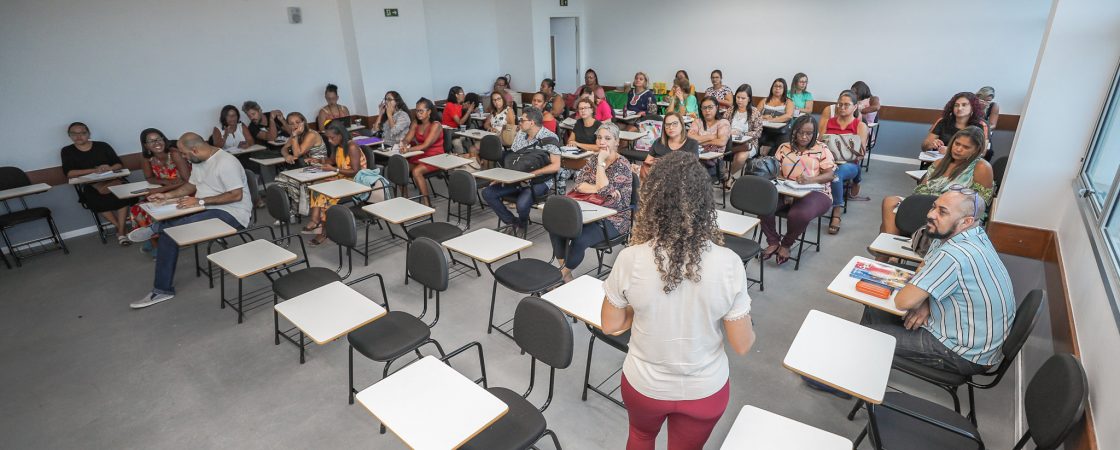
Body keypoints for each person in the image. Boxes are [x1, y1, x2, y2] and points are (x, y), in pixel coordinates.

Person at [601, 150, 755, 450]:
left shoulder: (630, 258)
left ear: (652, 201)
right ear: (704, 203)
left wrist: (639, 309)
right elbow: (743, 344)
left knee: (641, 437)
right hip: (704, 390)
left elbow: (610, 325)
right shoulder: (729, 263)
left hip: (644, 385)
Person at [863, 190, 1015, 376]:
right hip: (974, 339)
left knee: (865, 336)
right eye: (934, 206)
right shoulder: (966, 234)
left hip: (963, 353)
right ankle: (870, 368)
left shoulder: (954, 254)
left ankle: (856, 372)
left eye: (942, 212)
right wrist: (926, 299)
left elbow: (903, 301)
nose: (930, 214)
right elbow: (924, 266)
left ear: (966, 221)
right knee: (874, 308)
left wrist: (920, 297)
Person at [127, 132, 252, 309]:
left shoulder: (226, 163)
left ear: (194, 149)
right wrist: (166, 195)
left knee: (171, 231)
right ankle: (162, 290)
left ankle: (156, 228)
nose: (183, 158)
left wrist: (200, 201)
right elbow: (191, 185)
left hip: (232, 213)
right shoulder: (199, 160)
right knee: (169, 236)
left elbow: (236, 195)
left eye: (185, 154)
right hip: (205, 207)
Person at [551, 122, 632, 282]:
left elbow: (603, 189)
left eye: (607, 138)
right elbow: (579, 184)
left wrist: (601, 164)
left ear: (616, 141)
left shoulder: (623, 164)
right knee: (556, 227)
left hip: (614, 219)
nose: (602, 142)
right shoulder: (593, 159)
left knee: (580, 239)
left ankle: (559, 276)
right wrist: (601, 188)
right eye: (599, 138)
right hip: (588, 210)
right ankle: (566, 273)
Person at [882, 127, 994, 236]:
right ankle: (890, 249)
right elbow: (921, 189)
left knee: (887, 225)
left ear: (976, 149)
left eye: (966, 147)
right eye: (957, 144)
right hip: (927, 205)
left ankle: (887, 252)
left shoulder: (982, 167)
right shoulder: (939, 162)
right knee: (890, 201)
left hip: (950, 213)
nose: (958, 149)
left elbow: (979, 205)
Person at [758, 116, 835, 265]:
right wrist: (786, 190)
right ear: (793, 131)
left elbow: (830, 175)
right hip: (787, 190)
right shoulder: (784, 147)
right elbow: (776, 171)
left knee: (798, 214)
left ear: (815, 134)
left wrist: (809, 180)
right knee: (763, 205)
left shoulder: (821, 149)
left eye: (809, 133)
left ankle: (786, 244)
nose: (804, 136)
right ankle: (773, 241)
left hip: (816, 192)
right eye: (800, 132)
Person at [481, 105, 561, 235]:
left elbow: (555, 166)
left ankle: (522, 223)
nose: (519, 122)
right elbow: (513, 160)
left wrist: (534, 174)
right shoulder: (521, 134)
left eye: (522, 120)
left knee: (522, 204)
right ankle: (513, 222)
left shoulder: (550, 138)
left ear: (532, 122)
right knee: (488, 193)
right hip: (516, 178)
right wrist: (501, 178)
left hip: (539, 181)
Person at [60, 122, 135, 246]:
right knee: (95, 199)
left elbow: (118, 164)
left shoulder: (102, 146)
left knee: (122, 195)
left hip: (112, 180)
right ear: (69, 135)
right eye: (74, 134)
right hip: (91, 185)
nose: (79, 136)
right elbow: (69, 173)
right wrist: (94, 170)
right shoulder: (67, 151)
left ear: (89, 134)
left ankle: (120, 231)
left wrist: (109, 168)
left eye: (82, 133)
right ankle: (120, 229)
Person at [129, 128, 191, 255]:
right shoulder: (146, 158)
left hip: (185, 190)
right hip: (166, 190)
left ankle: (158, 245)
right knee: (137, 208)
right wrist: (166, 183)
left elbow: (187, 180)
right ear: (145, 145)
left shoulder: (174, 153)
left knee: (153, 208)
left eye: (158, 139)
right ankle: (153, 240)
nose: (156, 143)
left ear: (164, 139)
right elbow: (149, 177)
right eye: (150, 141)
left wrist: (161, 189)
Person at [817, 90, 871, 234]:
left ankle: (836, 212)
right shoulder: (828, 122)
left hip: (849, 164)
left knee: (837, 175)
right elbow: (819, 144)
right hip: (829, 162)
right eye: (840, 104)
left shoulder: (860, 126)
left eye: (846, 105)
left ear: (855, 107)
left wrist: (845, 150)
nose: (842, 107)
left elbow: (861, 154)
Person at [305, 121, 368, 245]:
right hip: (343, 179)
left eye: (332, 137)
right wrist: (317, 160)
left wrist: (335, 170)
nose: (329, 140)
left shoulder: (352, 147)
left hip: (357, 183)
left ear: (341, 135)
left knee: (326, 196)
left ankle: (323, 231)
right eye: (327, 137)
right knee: (317, 187)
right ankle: (316, 220)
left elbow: (356, 172)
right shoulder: (338, 146)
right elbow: (331, 160)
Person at [402, 98, 445, 205]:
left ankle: (427, 203)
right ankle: (404, 199)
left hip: (436, 156)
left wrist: (408, 149)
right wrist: (404, 143)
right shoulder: (416, 123)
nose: (418, 113)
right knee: (402, 167)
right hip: (420, 154)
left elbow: (426, 145)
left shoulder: (436, 125)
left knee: (416, 171)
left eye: (421, 111)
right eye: (417, 111)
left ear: (429, 111)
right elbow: (407, 138)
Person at [923, 92, 990, 161]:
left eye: (964, 105)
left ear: (973, 107)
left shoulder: (982, 125)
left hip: (965, 164)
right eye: (956, 105)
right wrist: (931, 144)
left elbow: (982, 153)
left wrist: (950, 151)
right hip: (938, 161)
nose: (959, 108)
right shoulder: (943, 121)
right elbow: (924, 146)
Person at [641, 113, 699, 180]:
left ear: (682, 125)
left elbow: (691, 168)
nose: (671, 127)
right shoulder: (658, 142)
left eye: (674, 123)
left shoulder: (692, 143)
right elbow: (647, 163)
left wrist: (661, 162)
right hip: (657, 179)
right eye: (667, 125)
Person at [725, 84, 763, 183]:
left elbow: (758, 132)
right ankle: (729, 178)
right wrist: (729, 131)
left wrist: (742, 133)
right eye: (738, 97)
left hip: (749, 143)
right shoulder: (731, 110)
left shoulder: (755, 112)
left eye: (743, 98)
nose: (740, 100)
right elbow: (722, 125)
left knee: (741, 156)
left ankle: (728, 176)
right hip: (730, 142)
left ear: (749, 99)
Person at [688, 96, 731, 180]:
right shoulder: (698, 121)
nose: (707, 110)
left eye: (710, 107)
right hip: (696, 158)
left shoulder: (723, 122)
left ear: (717, 107)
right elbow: (689, 138)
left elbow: (722, 142)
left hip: (715, 162)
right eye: (704, 108)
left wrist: (702, 141)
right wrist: (710, 137)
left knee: (693, 175)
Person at [468, 91, 516, 164]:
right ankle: (479, 168)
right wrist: (490, 128)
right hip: (491, 137)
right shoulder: (493, 111)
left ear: (503, 99)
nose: (497, 102)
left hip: (502, 139)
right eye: (494, 100)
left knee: (486, 152)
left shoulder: (508, 110)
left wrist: (501, 130)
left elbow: (512, 128)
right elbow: (486, 124)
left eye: (499, 99)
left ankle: (486, 168)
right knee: (472, 149)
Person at [757, 78, 794, 149]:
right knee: (756, 140)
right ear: (772, 88)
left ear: (784, 89)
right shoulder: (764, 100)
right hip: (764, 130)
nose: (777, 88)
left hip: (781, 132)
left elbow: (788, 116)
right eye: (775, 86)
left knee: (783, 147)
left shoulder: (788, 102)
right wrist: (764, 117)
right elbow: (755, 115)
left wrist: (771, 120)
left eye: (780, 87)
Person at [442, 86, 475, 154]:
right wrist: (468, 111)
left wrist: (465, 109)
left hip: (456, 131)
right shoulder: (450, 105)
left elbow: (466, 124)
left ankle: (463, 157)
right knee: (457, 142)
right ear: (456, 95)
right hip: (448, 133)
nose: (464, 95)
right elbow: (460, 122)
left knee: (471, 135)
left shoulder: (459, 105)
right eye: (462, 93)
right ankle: (459, 159)